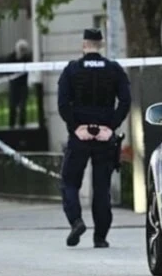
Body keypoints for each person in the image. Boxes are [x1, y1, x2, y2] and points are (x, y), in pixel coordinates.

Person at [56, 28, 131, 248]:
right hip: (104, 137)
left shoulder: (72, 70)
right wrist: (110, 126)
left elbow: (62, 104)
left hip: (80, 136)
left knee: (70, 182)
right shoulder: (114, 70)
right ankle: (100, 237)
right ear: (102, 44)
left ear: (84, 45)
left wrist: (76, 127)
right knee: (102, 188)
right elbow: (125, 101)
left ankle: (76, 221)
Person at [7, 39, 31, 128]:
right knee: (12, 106)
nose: (22, 51)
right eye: (21, 49)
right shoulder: (11, 57)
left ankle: (22, 125)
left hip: (23, 85)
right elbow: (6, 69)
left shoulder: (27, 58)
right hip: (13, 85)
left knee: (22, 107)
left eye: (24, 49)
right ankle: (11, 125)